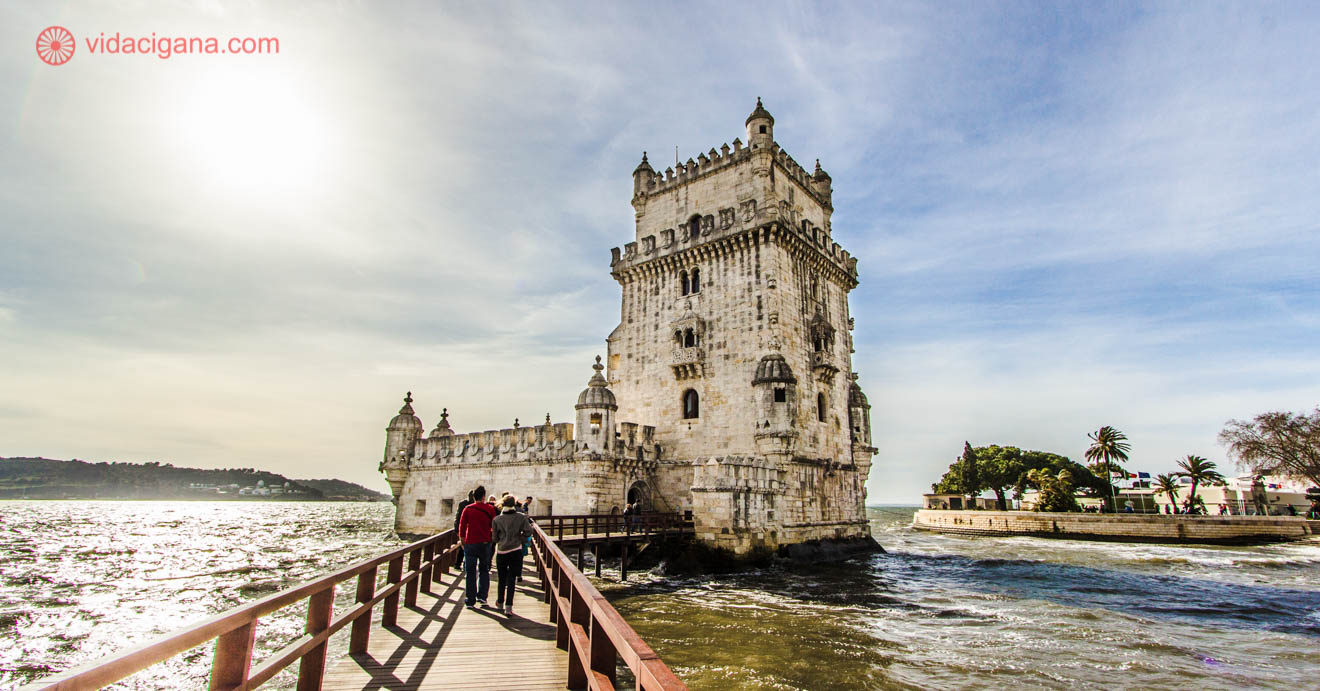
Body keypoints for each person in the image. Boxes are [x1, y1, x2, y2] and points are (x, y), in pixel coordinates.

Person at [491, 495, 534, 615]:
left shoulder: (496, 520)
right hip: (516, 550)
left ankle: (500, 602)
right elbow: (529, 531)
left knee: (502, 578)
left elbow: (494, 538)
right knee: (511, 579)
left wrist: (502, 539)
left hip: (502, 551)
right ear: (514, 504)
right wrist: (521, 539)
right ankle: (508, 606)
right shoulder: (520, 517)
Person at [458, 485, 497, 609]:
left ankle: (470, 600)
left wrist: (462, 541)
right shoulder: (490, 509)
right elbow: (494, 525)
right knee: (484, 570)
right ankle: (482, 597)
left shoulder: (468, 509)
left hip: (470, 543)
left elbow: (462, 526)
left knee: (470, 572)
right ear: (484, 496)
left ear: (473, 497)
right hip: (485, 543)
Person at [454, 490, 474, 569]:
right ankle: (458, 564)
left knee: (469, 548)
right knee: (462, 547)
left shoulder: (475, 505)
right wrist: (457, 529)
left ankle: (465, 565)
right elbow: (458, 517)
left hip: (471, 529)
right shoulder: (463, 504)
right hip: (464, 528)